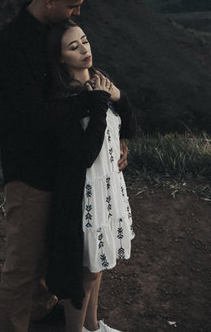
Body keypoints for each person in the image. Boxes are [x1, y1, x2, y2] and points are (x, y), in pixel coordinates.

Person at [0, 0, 96, 332]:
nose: (77, 13)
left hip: (58, 164)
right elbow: (32, 116)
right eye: (73, 5)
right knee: (22, 263)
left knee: (43, 251)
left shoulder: (54, 32)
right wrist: (90, 103)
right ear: (50, 0)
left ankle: (38, 309)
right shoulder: (13, 44)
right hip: (28, 169)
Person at [45, 20, 137, 332]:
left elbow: (131, 128)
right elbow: (86, 154)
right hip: (86, 194)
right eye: (74, 47)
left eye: (84, 41)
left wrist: (117, 97)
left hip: (109, 187)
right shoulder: (66, 99)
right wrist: (98, 104)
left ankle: (93, 327)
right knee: (84, 273)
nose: (84, 49)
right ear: (61, 58)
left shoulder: (100, 81)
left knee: (97, 270)